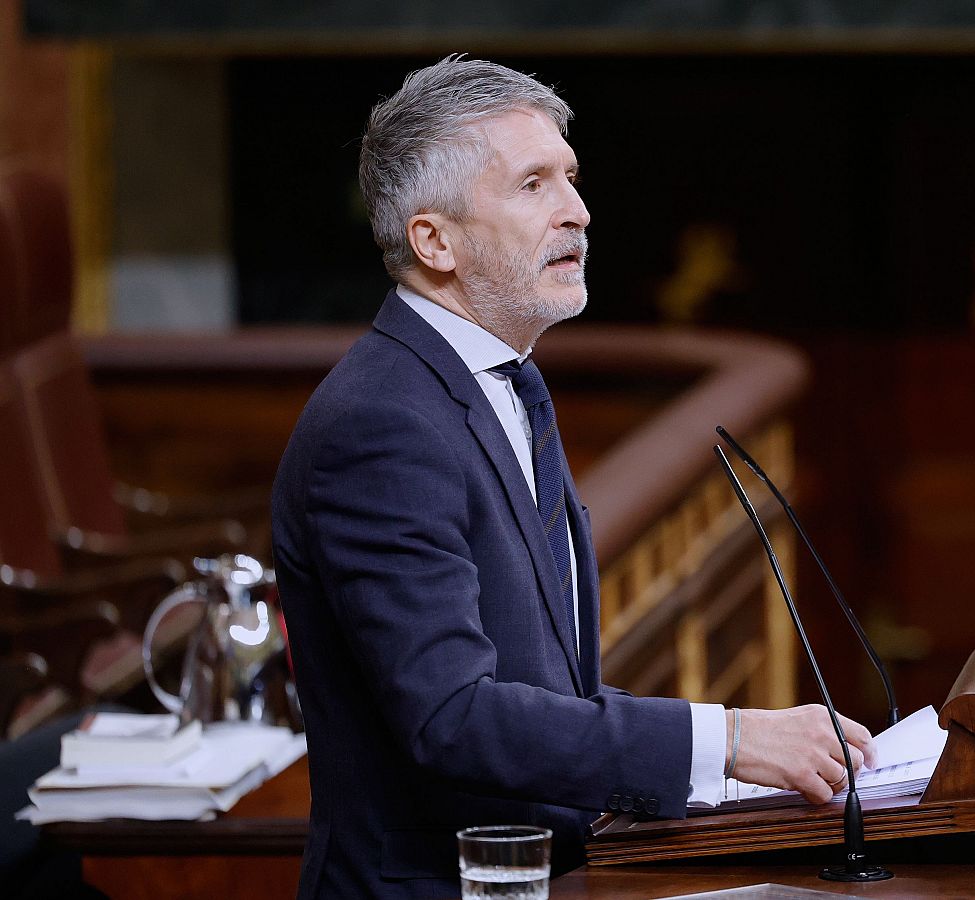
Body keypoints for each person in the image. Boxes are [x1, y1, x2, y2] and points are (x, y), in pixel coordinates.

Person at [271, 56, 874, 899]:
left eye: (572, 177)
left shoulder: (507, 380)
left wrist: (719, 772)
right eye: (533, 185)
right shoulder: (382, 426)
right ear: (433, 240)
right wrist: (728, 740)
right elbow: (453, 716)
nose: (579, 212)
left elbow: (541, 685)